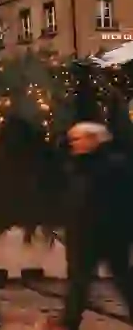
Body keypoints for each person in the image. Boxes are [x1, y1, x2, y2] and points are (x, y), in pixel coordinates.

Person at [56, 122, 133, 330]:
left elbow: (120, 201)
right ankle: (68, 322)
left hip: (109, 233)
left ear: (93, 140)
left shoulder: (113, 166)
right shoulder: (78, 165)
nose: (74, 144)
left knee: (122, 278)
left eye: (78, 139)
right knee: (79, 281)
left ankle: (68, 323)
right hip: (84, 233)